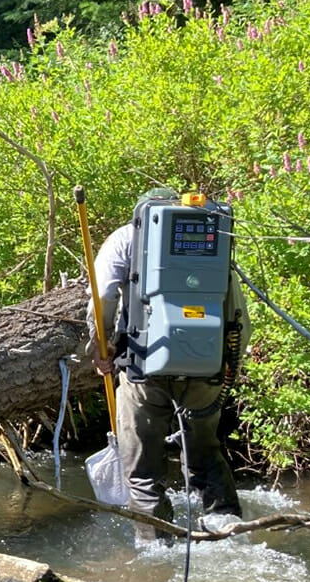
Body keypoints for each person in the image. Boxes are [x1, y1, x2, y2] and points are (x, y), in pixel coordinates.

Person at [87, 187, 242, 534]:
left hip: (143, 368)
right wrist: (230, 364)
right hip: (206, 367)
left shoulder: (125, 237)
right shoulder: (215, 234)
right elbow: (236, 310)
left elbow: (102, 296)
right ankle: (227, 530)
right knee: (205, 453)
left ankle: (156, 546)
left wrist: (100, 346)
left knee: (142, 470)